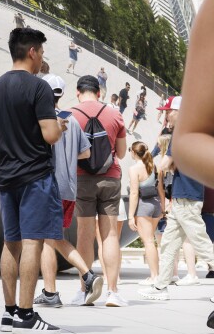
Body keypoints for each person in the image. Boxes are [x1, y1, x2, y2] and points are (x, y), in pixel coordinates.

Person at [0, 27, 66, 334]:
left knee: (11, 243)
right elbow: (50, 135)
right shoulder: (39, 88)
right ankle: (28, 314)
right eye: (42, 52)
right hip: (35, 176)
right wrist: (59, 126)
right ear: (32, 51)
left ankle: (8, 313)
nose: (42, 58)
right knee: (33, 242)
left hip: (6, 177)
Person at [32, 75, 104, 309]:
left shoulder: (43, 118)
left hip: (48, 186)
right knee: (52, 237)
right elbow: (85, 153)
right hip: (69, 188)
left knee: (49, 238)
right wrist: (67, 154)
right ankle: (52, 290)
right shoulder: (69, 118)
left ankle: (82, 277)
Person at [68, 75, 129, 306]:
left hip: (81, 179)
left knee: (84, 233)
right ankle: (113, 292)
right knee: (110, 234)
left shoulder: (69, 114)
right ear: (99, 92)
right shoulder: (115, 114)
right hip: (110, 178)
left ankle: (85, 290)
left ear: (77, 92)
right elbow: (121, 153)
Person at [139, 143, 214, 301]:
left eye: (168, 116)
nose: (167, 118)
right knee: (168, 243)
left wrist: (171, 163)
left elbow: (164, 165)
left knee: (202, 243)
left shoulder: (181, 136)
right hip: (184, 198)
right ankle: (160, 286)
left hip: (186, 198)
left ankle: (160, 286)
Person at [126, 141, 166, 285]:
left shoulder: (134, 169)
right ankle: (155, 275)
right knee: (152, 241)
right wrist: (162, 208)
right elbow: (161, 189)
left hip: (144, 206)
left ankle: (154, 277)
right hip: (156, 204)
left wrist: (130, 216)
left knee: (148, 241)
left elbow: (134, 193)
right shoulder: (154, 167)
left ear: (134, 153)